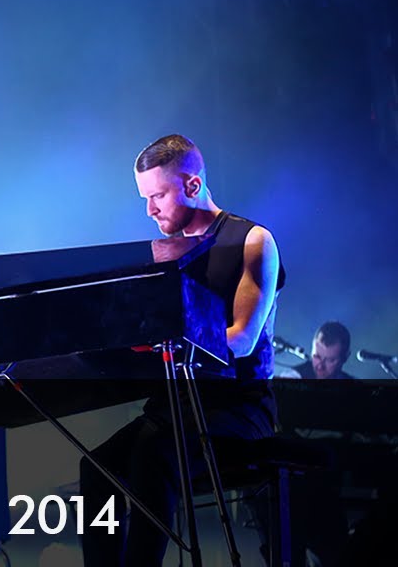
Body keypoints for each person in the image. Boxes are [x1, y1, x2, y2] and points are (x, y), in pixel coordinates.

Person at [79, 134, 285, 566]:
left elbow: (242, 340)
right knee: (96, 467)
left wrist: (162, 345)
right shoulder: (163, 255)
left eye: (157, 196)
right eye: (144, 198)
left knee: (154, 450)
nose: (149, 210)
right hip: (174, 409)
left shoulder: (252, 240)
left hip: (239, 407)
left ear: (192, 185)